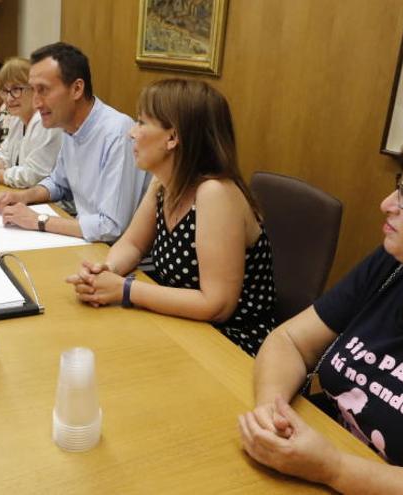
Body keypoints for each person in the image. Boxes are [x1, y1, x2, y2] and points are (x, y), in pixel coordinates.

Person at [238, 126, 403, 492]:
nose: (386, 204)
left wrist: (334, 469)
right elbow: (290, 340)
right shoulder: (394, 264)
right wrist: (270, 412)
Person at [65, 79, 276, 356]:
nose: (131, 133)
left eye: (141, 122)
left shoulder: (215, 194)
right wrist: (107, 271)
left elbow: (217, 305)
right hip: (183, 327)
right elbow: (133, 245)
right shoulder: (164, 184)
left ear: (172, 138)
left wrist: (125, 290)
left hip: (231, 346)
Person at [0, 42, 149, 242]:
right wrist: (23, 197)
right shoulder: (69, 125)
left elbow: (111, 226)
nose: (36, 102)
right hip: (85, 239)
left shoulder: (117, 133)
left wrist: (39, 220)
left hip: (116, 253)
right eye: (33, 90)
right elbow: (58, 183)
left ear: (76, 89)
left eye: (44, 90)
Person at [0, 57, 62, 189]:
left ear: (35, 89)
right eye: (5, 91)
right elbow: (5, 156)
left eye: (16, 90)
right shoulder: (17, 118)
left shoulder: (46, 122)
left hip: (56, 205)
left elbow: (32, 176)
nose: (9, 98)